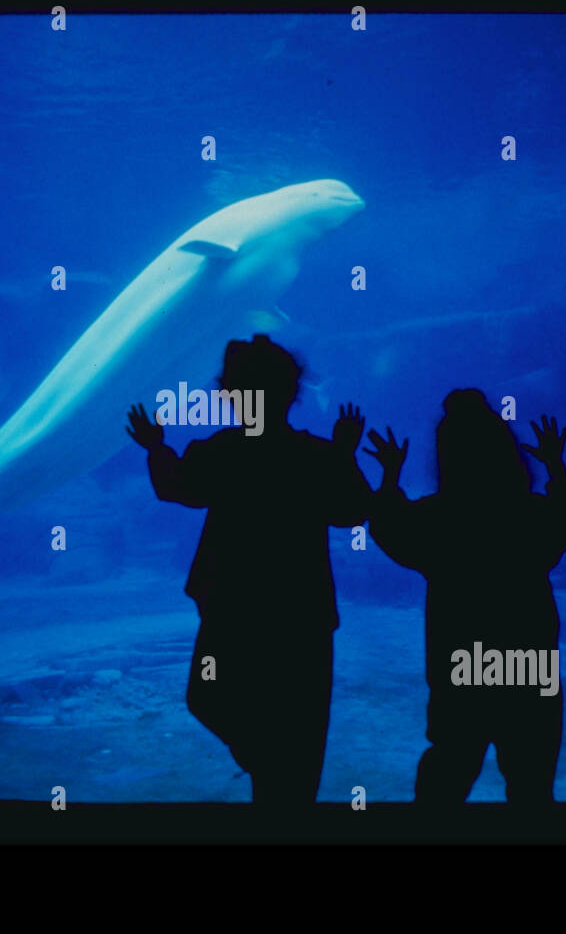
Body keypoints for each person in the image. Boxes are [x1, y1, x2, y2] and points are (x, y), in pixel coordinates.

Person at [126, 335, 371, 805]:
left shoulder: (221, 451)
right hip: (302, 617)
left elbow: (177, 487)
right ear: (291, 394)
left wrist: (156, 447)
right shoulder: (316, 455)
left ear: (232, 395)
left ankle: (268, 766)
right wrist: (344, 452)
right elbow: (355, 509)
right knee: (301, 729)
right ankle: (277, 771)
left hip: (232, 611)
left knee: (208, 694)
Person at [365, 389, 566, 806]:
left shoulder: (438, 518)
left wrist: (391, 475)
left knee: (446, 775)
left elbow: (390, 528)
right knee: (532, 783)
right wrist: (556, 466)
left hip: (460, 662)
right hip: (527, 660)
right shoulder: (530, 514)